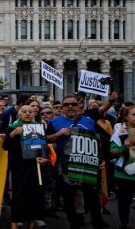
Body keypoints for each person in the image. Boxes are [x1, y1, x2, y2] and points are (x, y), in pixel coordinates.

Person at [46, 94, 105, 229]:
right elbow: (46, 140)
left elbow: (97, 142)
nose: (70, 107)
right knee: (69, 199)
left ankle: (97, 221)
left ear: (79, 106)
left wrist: (100, 160)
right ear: (63, 107)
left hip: (88, 166)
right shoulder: (54, 122)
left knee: (92, 198)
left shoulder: (89, 122)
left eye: (73, 104)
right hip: (67, 168)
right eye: (66, 104)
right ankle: (75, 224)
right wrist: (58, 134)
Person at [3, 105, 49, 229]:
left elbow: (43, 146)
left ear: (34, 114)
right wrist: (13, 134)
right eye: (24, 111)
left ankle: (32, 221)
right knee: (18, 194)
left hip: (35, 165)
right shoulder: (13, 127)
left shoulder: (39, 127)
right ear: (19, 114)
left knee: (34, 194)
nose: (27, 113)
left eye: (30, 111)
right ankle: (14, 221)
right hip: (19, 166)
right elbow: (5, 146)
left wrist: (45, 158)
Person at [110, 104, 135, 229]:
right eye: (133, 115)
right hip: (125, 173)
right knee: (125, 201)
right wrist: (124, 146)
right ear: (125, 117)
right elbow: (113, 152)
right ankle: (124, 223)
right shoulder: (120, 132)